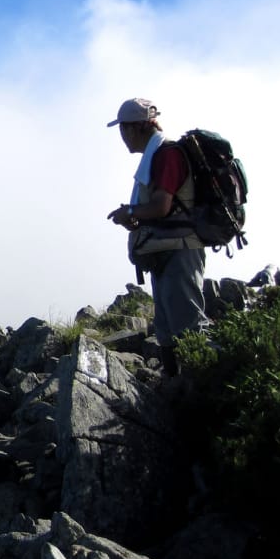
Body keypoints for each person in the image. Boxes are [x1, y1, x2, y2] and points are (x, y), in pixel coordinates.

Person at [106, 97, 208, 375]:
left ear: (134, 128)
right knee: (166, 327)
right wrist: (133, 217)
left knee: (188, 324)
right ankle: (175, 389)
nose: (122, 137)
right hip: (166, 251)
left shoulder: (167, 155)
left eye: (122, 130)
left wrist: (131, 211)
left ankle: (206, 388)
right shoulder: (158, 154)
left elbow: (162, 206)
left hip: (181, 250)